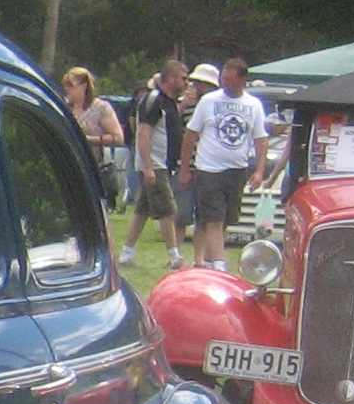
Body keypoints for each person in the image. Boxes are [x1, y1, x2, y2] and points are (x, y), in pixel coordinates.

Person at [183, 58, 269, 269]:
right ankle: (219, 265)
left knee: (224, 218)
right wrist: (186, 167)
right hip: (208, 168)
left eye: (230, 79)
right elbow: (191, 134)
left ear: (242, 79)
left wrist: (259, 170)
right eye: (223, 78)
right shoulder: (209, 101)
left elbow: (261, 139)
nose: (225, 83)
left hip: (237, 169)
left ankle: (206, 260)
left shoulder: (254, 105)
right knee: (212, 219)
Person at [120, 60, 188, 269]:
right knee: (168, 209)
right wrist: (148, 166)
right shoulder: (154, 100)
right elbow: (143, 132)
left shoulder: (169, 103)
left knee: (142, 211)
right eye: (183, 78)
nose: (186, 83)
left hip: (163, 163)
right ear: (172, 78)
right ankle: (174, 255)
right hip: (155, 163)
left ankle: (127, 252)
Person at [63, 67, 121, 197]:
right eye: (65, 85)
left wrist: (89, 140)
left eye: (71, 85)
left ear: (84, 86)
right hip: (67, 164)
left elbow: (118, 137)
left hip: (92, 168)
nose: (67, 89)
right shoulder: (64, 107)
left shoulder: (101, 108)